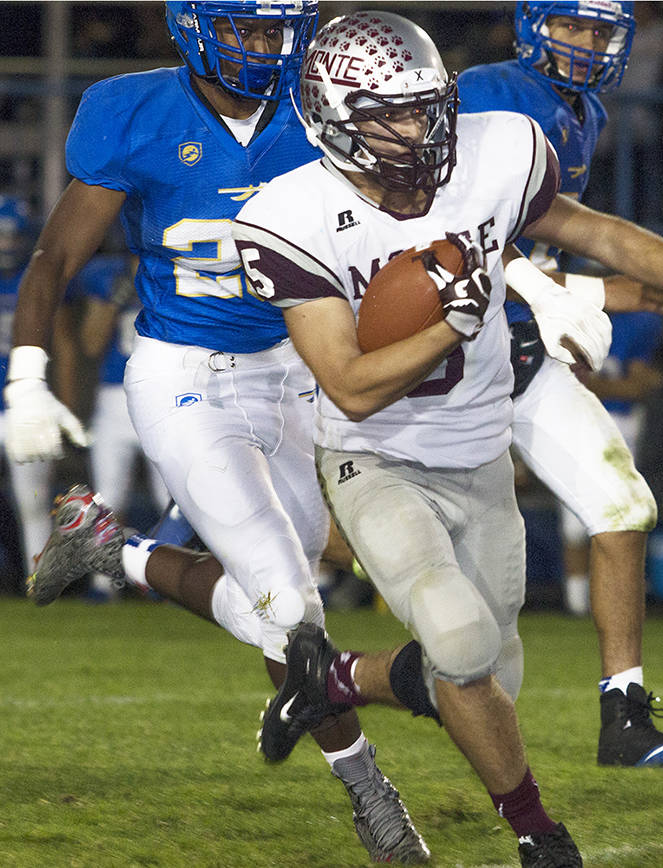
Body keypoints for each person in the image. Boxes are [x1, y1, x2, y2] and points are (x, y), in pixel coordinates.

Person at [225, 11, 663, 866]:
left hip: (481, 451)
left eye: (426, 107)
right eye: (391, 116)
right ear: (332, 118)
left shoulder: (497, 151)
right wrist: (448, 327)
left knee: (488, 678)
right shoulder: (288, 216)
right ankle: (538, 831)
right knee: (457, 644)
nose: (419, 130)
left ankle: (334, 678)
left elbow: (594, 230)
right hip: (375, 456)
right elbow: (347, 382)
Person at [8, 3, 430, 862]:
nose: (266, 47)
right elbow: (54, 258)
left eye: (279, 28)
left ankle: (111, 549)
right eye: (244, 27)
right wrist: (23, 376)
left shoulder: (320, 110)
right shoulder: (135, 113)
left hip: (296, 372)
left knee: (282, 596)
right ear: (194, 28)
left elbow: (411, 225)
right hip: (181, 376)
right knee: (290, 605)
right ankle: (368, 789)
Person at [456, 0, 663, 769]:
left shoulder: (585, 110)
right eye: (572, 26)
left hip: (524, 353)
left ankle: (624, 716)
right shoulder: (488, 93)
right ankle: (241, 582)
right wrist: (595, 292)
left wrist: (603, 290)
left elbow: (542, 239)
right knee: (378, 549)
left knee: (623, 505)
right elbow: (466, 241)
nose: (587, 43)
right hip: (450, 358)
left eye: (601, 31)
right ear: (532, 24)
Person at [65, 252, 171, 600]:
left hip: (166, 395)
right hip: (114, 398)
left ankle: (169, 581)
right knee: (108, 499)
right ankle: (102, 582)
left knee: (172, 500)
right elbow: (91, 344)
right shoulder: (107, 276)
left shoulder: (180, 271)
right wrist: (116, 298)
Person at [559, 310, 663, 616]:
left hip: (619, 422)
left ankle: (621, 602)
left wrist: (589, 385)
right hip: (575, 422)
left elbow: (637, 387)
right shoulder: (568, 314)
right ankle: (577, 605)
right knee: (573, 526)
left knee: (623, 518)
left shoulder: (638, 322)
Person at [0, 196, 55, 588]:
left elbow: (64, 342)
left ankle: (41, 581)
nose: (6, 244)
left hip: (25, 403)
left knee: (34, 502)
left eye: (11, 236)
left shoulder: (34, 278)